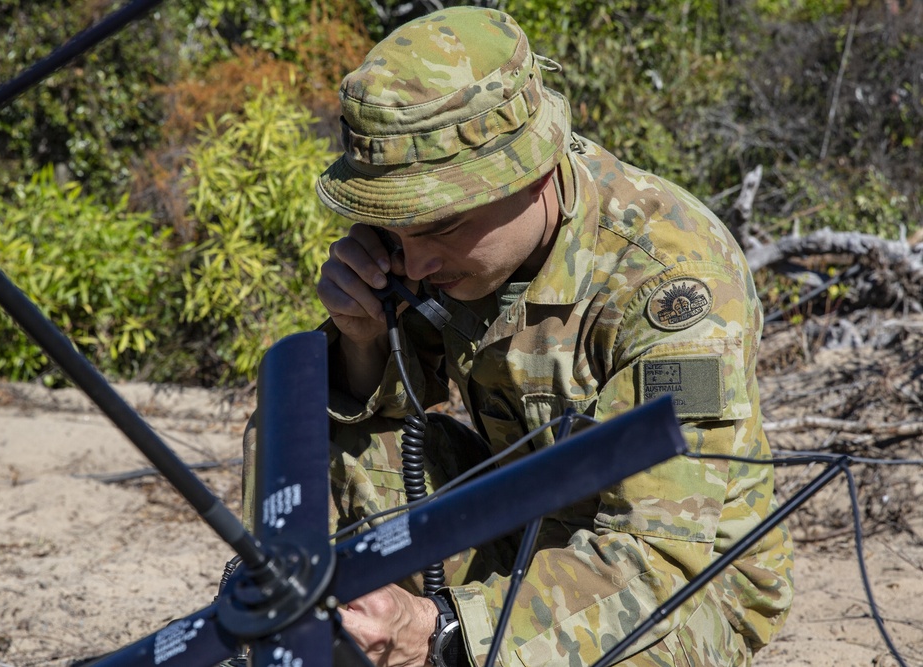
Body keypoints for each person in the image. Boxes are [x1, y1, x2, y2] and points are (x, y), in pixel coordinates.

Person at [313, 6, 794, 666]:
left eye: (438, 226)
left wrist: (446, 633)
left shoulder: (672, 284)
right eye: (395, 227)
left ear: (532, 172)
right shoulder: (435, 251)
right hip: (525, 528)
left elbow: (652, 561)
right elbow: (371, 441)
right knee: (310, 404)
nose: (415, 263)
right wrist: (363, 342)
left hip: (690, 583)